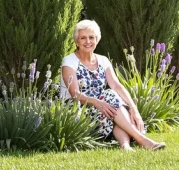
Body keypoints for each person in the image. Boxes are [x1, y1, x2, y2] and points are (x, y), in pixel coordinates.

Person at [60, 20, 165, 151]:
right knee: (111, 101)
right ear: (76, 41)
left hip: (103, 108)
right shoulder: (69, 61)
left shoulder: (103, 60)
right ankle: (142, 140)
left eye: (91, 37)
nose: (88, 41)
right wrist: (99, 103)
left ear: (97, 40)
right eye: (83, 38)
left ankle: (125, 147)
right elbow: (75, 94)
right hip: (77, 110)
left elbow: (116, 86)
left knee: (112, 100)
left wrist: (134, 109)